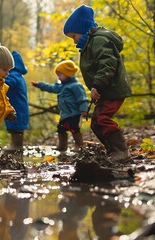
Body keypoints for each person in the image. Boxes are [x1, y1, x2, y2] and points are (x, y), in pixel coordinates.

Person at [63, 5, 132, 162]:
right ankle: (112, 151)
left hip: (113, 89)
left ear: (83, 29)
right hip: (106, 91)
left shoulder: (99, 40)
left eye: (74, 36)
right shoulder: (90, 43)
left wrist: (97, 86)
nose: (74, 41)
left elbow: (107, 64)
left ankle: (121, 152)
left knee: (102, 118)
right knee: (95, 123)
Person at [31, 60, 88, 151]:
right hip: (65, 114)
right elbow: (51, 87)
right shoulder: (62, 86)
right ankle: (62, 146)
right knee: (61, 129)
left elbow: (82, 98)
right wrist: (39, 85)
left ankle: (79, 145)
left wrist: (83, 109)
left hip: (73, 113)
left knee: (74, 128)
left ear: (68, 74)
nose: (59, 77)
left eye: (60, 74)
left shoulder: (75, 86)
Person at [3, 50, 29, 154]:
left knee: (17, 127)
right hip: (18, 106)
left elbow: (8, 83)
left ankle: (17, 146)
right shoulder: (18, 75)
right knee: (14, 127)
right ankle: (16, 145)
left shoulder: (14, 75)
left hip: (17, 107)